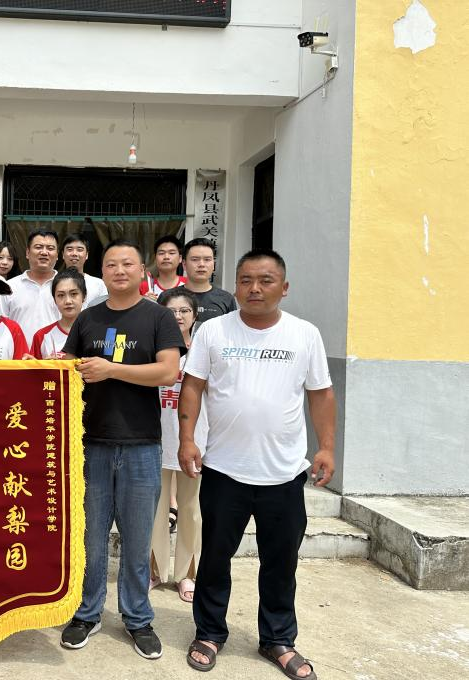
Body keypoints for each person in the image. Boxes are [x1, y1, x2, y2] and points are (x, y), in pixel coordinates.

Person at [178, 249, 335, 678]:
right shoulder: (213, 330)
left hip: (283, 473)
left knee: (281, 562)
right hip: (224, 469)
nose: (255, 288)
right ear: (235, 286)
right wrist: (188, 439)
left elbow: (321, 393)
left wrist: (326, 447)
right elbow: (192, 386)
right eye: (246, 280)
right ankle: (209, 632)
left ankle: (278, 639)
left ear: (284, 288)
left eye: (266, 280)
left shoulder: (304, 334)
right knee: (215, 558)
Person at [59, 239, 184, 660]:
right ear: (103, 272)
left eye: (127, 263)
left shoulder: (158, 316)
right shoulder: (88, 318)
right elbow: (67, 366)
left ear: (142, 269)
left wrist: (112, 369)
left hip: (141, 444)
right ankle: (87, 612)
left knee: (136, 538)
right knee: (91, 537)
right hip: (91, 442)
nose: (119, 270)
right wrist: (42, 366)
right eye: (111, 264)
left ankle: (138, 618)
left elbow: (168, 371)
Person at [149, 288, 207, 604]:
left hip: (194, 441)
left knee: (190, 510)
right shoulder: (153, 349)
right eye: (171, 311)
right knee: (155, 509)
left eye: (184, 311)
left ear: (194, 316)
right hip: (155, 437)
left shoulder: (205, 350)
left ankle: (187, 574)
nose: (178, 316)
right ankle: (155, 569)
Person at [159, 238, 235, 323]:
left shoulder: (226, 299)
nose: (201, 264)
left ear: (213, 264)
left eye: (207, 259)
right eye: (195, 259)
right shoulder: (166, 297)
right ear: (184, 264)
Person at [6, 229, 60, 341]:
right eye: (38, 247)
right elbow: (1, 325)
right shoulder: (9, 287)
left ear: (57, 255)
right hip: (18, 352)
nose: (44, 252)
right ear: (27, 253)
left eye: (50, 248)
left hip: (59, 352)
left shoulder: (69, 288)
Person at [30, 267, 86, 359]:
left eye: (73, 294)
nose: (68, 301)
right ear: (54, 299)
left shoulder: (97, 332)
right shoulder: (42, 336)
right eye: (61, 295)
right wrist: (45, 365)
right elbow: (33, 367)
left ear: (84, 296)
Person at [60, 233, 107, 306]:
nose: (74, 253)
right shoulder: (54, 282)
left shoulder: (98, 284)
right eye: (70, 249)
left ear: (87, 255)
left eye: (79, 250)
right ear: (63, 254)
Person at [140, 234, 187, 300]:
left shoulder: (188, 284)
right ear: (155, 258)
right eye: (161, 253)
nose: (166, 257)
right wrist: (143, 301)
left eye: (171, 253)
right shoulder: (144, 287)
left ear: (180, 258)